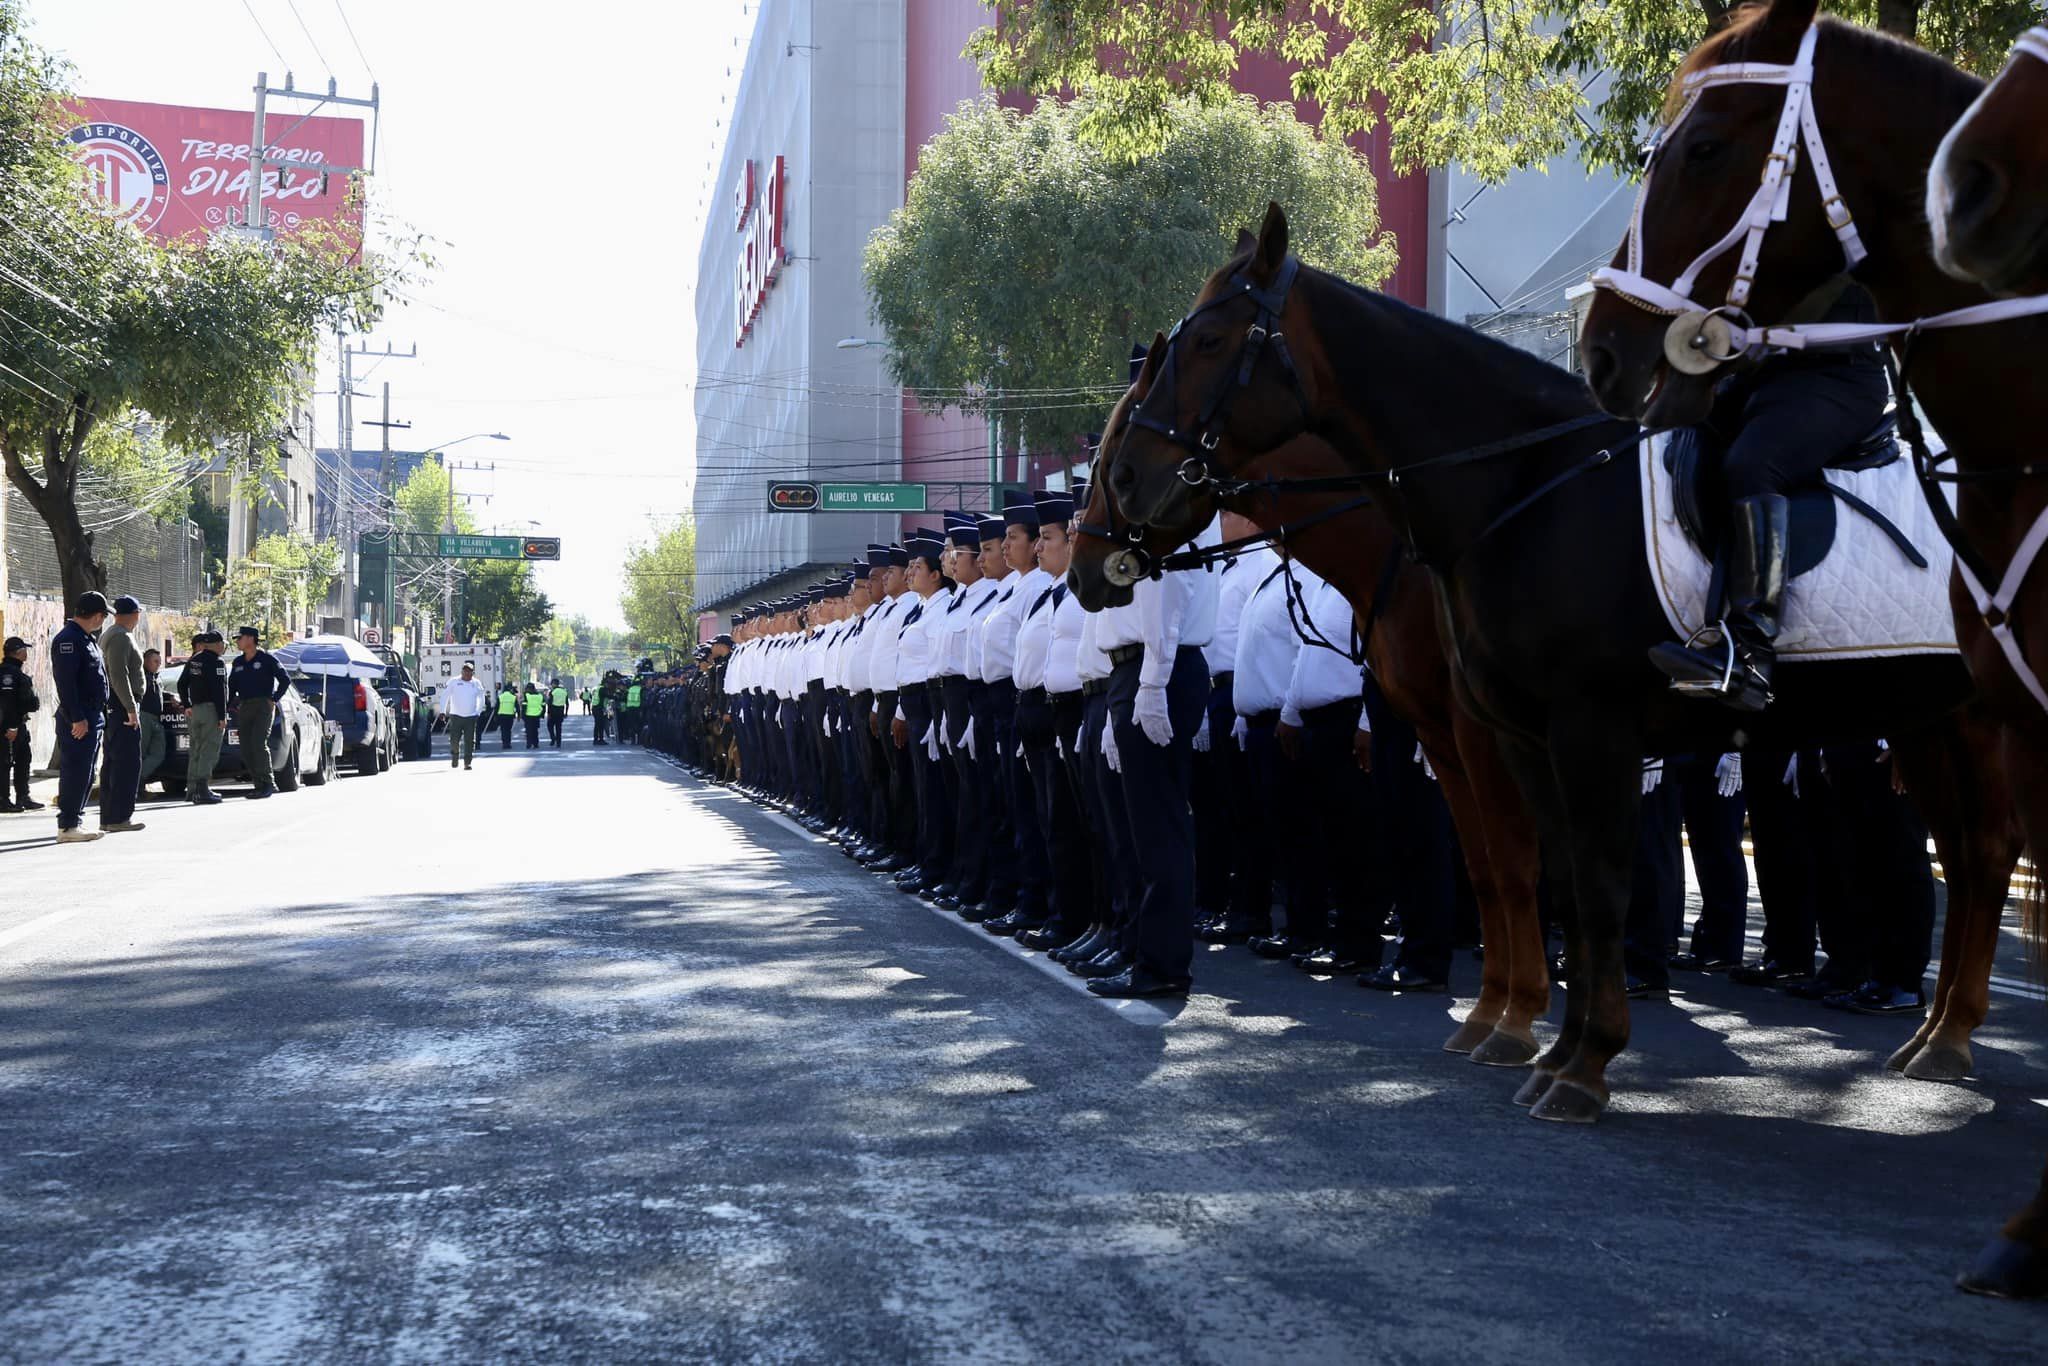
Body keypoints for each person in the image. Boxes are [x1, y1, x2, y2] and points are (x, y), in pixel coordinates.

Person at [1649, 285, 1892, 710]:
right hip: (1763, 377)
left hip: (1838, 376)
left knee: (1753, 465)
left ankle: (1750, 653)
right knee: (1670, 431)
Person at [49, 591, 112, 841]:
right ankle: (68, 825)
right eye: (104, 616)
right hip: (79, 715)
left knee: (86, 770)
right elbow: (65, 683)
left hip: (92, 713)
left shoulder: (85, 638)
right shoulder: (69, 639)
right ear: (97, 616)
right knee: (76, 770)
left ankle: (75, 821)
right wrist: (77, 717)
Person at [98, 594, 147, 833]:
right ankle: (118, 817)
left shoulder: (114, 634)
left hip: (116, 706)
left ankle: (110, 816)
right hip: (121, 707)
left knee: (114, 761)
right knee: (126, 763)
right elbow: (119, 675)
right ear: (135, 615)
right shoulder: (119, 637)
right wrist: (130, 708)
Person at [227, 625, 292, 799]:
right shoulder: (238, 662)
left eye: (240, 638)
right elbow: (231, 687)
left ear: (250, 639)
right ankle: (258, 784)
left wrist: (274, 698)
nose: (238, 642)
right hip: (245, 705)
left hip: (263, 704)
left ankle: (268, 783)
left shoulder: (267, 659)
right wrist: (227, 706)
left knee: (258, 742)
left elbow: (285, 679)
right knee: (246, 747)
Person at [177, 630, 228, 804]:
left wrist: (187, 705)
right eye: (221, 643)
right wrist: (222, 716)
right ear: (215, 645)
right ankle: (203, 789)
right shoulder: (217, 662)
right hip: (210, 710)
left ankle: (192, 790)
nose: (223, 646)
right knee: (209, 748)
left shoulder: (194, 660)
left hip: (195, 711)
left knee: (196, 749)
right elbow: (219, 690)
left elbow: (181, 683)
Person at [0, 635, 44, 813]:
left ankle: (23, 796)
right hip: (10, 727)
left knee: (23, 760)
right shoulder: (10, 675)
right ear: (18, 653)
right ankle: (3, 799)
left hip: (17, 725)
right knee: (5, 763)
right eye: (24, 650)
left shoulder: (13, 673)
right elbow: (9, 703)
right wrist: (11, 726)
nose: (26, 653)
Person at [440, 662, 487, 769]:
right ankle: (455, 756)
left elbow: (481, 697)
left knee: (470, 741)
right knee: (454, 740)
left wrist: (478, 712)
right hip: (456, 716)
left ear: (472, 673)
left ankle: (467, 762)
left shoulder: (476, 683)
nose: (466, 673)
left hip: (470, 717)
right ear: (462, 671)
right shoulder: (454, 681)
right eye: (465, 671)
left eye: (469, 671)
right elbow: (445, 695)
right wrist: (442, 711)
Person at [136, 648, 166, 800]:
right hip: (144, 717)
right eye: (155, 661)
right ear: (146, 661)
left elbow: (160, 693)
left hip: (156, 719)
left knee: (158, 754)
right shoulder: (140, 676)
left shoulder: (156, 677)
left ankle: (139, 779)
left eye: (159, 662)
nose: (158, 664)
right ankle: (137, 787)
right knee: (140, 753)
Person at [521, 682, 545, 749]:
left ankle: (529, 744)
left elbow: (524, 706)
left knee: (529, 731)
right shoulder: (540, 696)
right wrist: (542, 714)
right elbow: (543, 705)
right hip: (537, 715)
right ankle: (536, 743)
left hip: (528, 715)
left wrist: (522, 715)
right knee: (535, 730)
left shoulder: (527, 695)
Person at [495, 682, 518, 749]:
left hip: (501, 715)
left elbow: (496, 707)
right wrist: (519, 715)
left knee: (503, 730)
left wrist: (495, 716)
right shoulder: (513, 697)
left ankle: (504, 743)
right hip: (510, 715)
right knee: (508, 730)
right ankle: (508, 743)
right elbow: (517, 707)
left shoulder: (500, 697)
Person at [547, 678, 568, 747]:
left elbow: (549, 703)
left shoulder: (552, 692)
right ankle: (558, 742)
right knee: (558, 727)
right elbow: (567, 703)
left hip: (553, 710)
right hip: (561, 711)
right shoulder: (564, 691)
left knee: (550, 726)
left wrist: (548, 713)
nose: (551, 685)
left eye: (552, 684)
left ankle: (553, 738)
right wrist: (566, 713)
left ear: (554, 684)